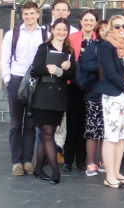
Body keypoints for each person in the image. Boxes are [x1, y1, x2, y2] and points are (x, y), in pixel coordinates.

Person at [0, 0, 47, 176]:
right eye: (26, 14)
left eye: (32, 13)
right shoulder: (12, 34)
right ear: (22, 16)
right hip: (17, 80)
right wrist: (7, 79)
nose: (29, 17)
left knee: (31, 123)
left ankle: (28, 160)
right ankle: (16, 162)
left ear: (38, 14)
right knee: (15, 123)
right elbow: (4, 58)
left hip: (36, 81)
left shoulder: (44, 34)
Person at [29, 18, 76, 184]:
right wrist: (50, 68)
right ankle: (56, 172)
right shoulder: (44, 47)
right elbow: (36, 68)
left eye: (65, 30)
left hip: (58, 97)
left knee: (46, 135)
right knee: (48, 134)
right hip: (42, 96)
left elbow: (72, 75)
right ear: (53, 30)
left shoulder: (69, 50)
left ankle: (38, 169)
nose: (61, 32)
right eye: (59, 29)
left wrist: (63, 70)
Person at [97, 14, 124, 189]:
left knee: (122, 135)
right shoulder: (106, 46)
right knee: (111, 136)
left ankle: (116, 172)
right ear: (110, 28)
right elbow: (110, 73)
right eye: (117, 27)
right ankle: (109, 176)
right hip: (114, 95)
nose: (121, 29)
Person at [67, 9, 99, 173]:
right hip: (73, 85)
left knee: (87, 125)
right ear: (80, 21)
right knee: (73, 123)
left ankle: (82, 159)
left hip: (92, 87)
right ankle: (68, 159)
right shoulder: (72, 38)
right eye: (85, 20)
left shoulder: (99, 40)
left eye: (91, 20)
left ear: (95, 23)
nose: (88, 23)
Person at [76, 17, 107, 176]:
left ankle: (104, 160)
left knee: (108, 132)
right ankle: (90, 162)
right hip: (94, 94)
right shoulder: (92, 47)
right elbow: (85, 65)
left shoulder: (117, 46)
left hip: (111, 96)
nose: (106, 32)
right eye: (102, 29)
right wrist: (104, 66)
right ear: (98, 32)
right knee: (93, 131)